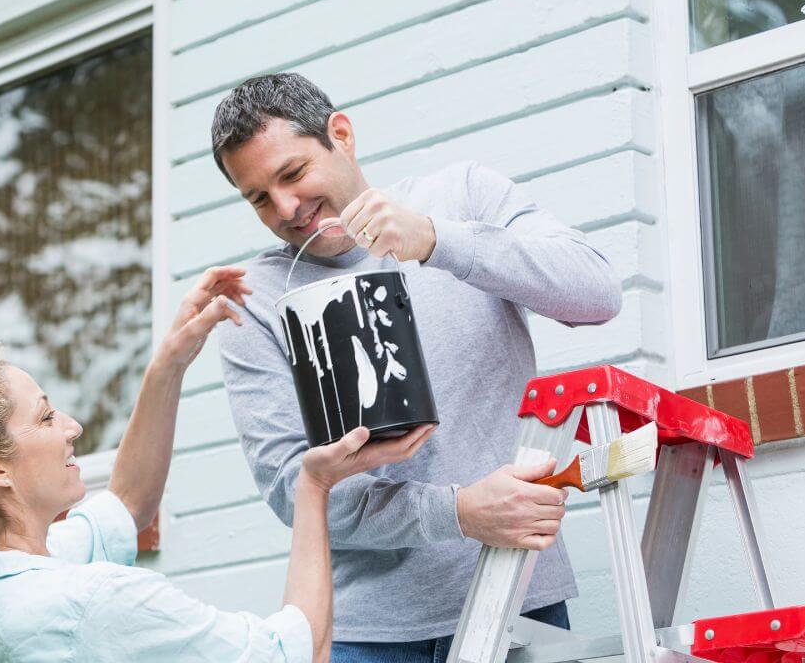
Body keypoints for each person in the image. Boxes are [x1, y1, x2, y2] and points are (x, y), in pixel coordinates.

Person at [0, 265, 435, 663]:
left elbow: (127, 504)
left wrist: (170, 361)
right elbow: (294, 655)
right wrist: (313, 486)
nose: (70, 428)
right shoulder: (86, 602)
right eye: (45, 417)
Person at [210, 73, 623, 662]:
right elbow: (288, 486)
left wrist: (436, 242)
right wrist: (457, 512)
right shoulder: (257, 298)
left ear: (341, 135)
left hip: (515, 596)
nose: (286, 209)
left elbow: (597, 292)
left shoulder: (461, 198)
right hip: (366, 635)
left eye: (293, 174)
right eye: (258, 198)